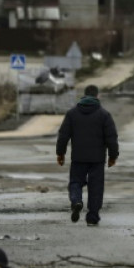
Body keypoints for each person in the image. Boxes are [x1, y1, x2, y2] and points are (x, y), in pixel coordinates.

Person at [56, 84, 119, 226]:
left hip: (78, 157)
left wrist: (60, 153)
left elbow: (63, 136)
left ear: (84, 95)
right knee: (96, 187)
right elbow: (111, 138)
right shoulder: (104, 115)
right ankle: (92, 217)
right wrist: (113, 156)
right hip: (97, 159)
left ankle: (76, 200)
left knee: (75, 182)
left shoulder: (72, 114)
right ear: (97, 96)